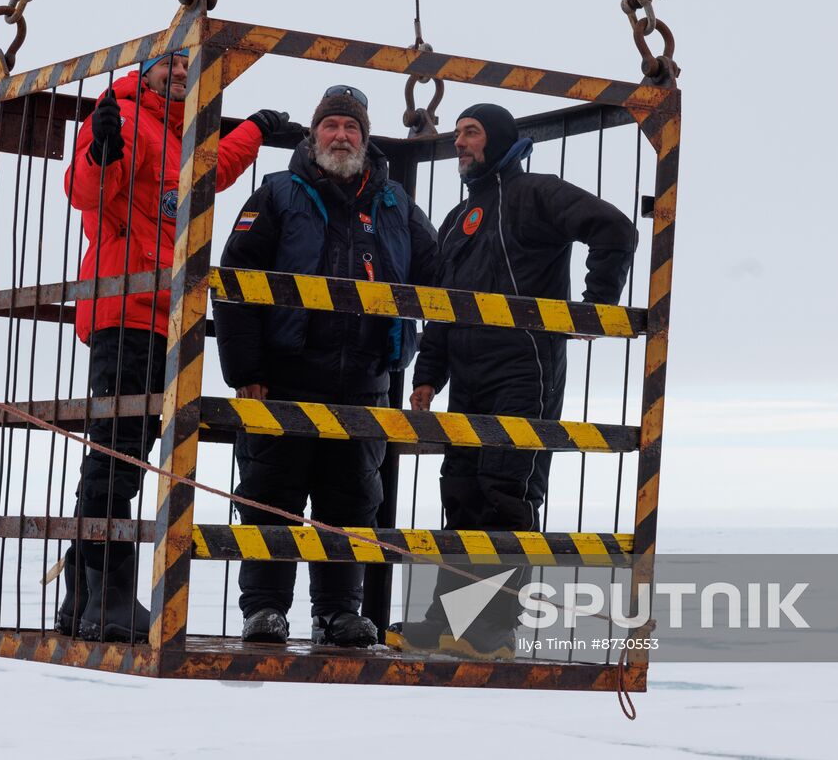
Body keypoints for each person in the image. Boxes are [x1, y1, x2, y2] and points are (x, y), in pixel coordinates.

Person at [56, 49, 294, 642]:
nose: (181, 73)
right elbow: (88, 188)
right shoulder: (127, 117)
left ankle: (86, 601)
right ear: (147, 71)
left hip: (163, 320)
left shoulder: (179, 132)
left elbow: (212, 169)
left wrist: (253, 130)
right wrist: (100, 151)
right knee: (119, 456)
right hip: (128, 314)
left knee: (122, 454)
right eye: (171, 64)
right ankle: (102, 598)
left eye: (190, 66)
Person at [389, 102, 638, 658]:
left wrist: (595, 307)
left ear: (499, 139)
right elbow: (444, 308)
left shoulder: (537, 194)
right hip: (466, 378)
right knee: (460, 496)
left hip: (524, 369)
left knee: (506, 496)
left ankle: (492, 630)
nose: (458, 143)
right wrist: (428, 375)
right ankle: (447, 622)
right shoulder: (459, 219)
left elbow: (615, 228)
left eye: (470, 133)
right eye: (455, 135)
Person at [213, 85, 438, 647]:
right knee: (271, 494)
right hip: (284, 377)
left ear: (365, 139)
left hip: (365, 383)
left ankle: (339, 612)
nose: (341, 135)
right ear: (313, 136)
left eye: (351, 127)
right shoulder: (277, 194)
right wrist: (245, 370)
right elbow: (234, 279)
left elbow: (442, 274)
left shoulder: (397, 205)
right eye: (331, 125)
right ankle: (264, 609)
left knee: (352, 502)